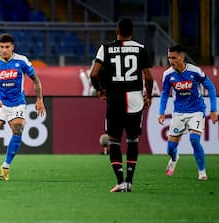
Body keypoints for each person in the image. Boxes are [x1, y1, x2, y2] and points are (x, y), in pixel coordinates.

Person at [90, 18, 153, 192]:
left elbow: (94, 73)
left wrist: (100, 90)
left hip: (115, 98)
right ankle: (130, 181)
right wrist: (148, 95)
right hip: (134, 98)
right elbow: (148, 77)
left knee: (114, 141)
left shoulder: (105, 48)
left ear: (117, 30)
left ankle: (120, 182)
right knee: (133, 140)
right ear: (132, 32)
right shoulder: (140, 49)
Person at [0, 33, 45, 181]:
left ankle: (6, 166)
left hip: (17, 103)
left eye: (7, 47)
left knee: (17, 131)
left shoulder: (22, 60)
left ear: (12, 47)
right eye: (1, 47)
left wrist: (39, 99)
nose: (4, 50)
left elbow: (36, 80)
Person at [158, 45, 217, 180]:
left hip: (196, 110)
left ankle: (202, 172)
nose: (171, 61)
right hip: (179, 112)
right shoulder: (168, 74)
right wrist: (161, 112)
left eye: (174, 58)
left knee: (194, 139)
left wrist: (213, 109)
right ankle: (174, 158)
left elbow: (211, 87)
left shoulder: (195, 71)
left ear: (182, 57)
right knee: (170, 148)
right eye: (169, 58)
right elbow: (164, 93)